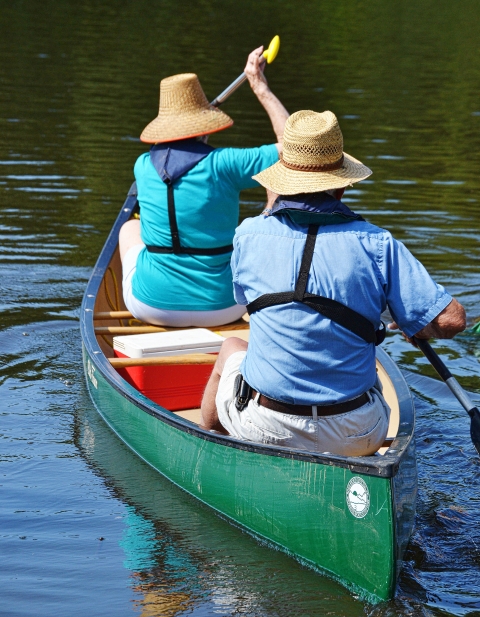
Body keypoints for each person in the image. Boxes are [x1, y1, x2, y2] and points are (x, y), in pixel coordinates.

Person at [200, 110, 466, 456]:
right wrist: (419, 326)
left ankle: (207, 443)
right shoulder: (377, 243)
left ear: (281, 181)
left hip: (268, 427)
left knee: (232, 348)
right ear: (342, 183)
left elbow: (249, 304)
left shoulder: (248, 234)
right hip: (357, 433)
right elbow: (452, 320)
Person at [119, 46, 289, 327]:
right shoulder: (226, 163)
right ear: (205, 126)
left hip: (151, 305)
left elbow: (169, 154)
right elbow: (293, 148)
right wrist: (259, 87)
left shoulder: (142, 165)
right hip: (224, 307)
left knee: (129, 228)